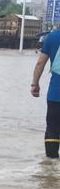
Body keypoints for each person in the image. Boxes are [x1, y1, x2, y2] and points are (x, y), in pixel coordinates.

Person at [30, 24, 60, 158]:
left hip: (56, 94)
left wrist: (35, 84)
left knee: (53, 129)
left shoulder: (52, 37)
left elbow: (40, 63)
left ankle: (50, 167)